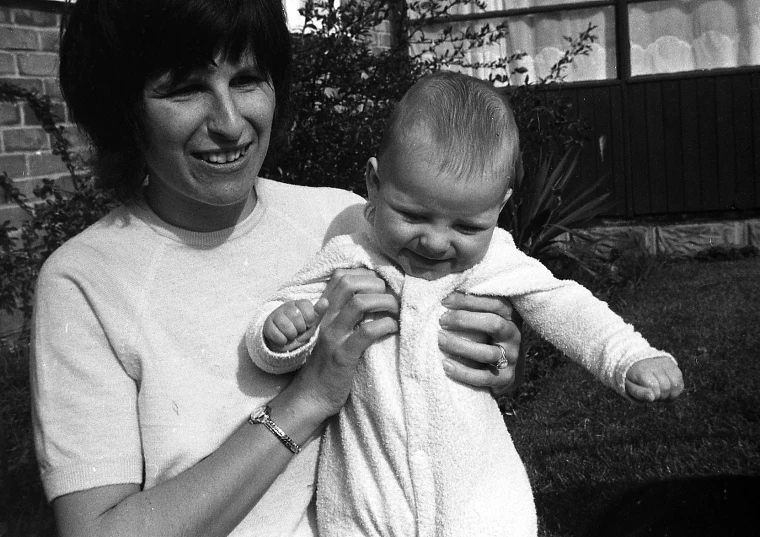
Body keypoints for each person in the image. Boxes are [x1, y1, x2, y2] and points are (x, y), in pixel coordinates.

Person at [30, 2, 524, 537]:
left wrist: (489, 355)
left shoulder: (345, 221)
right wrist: (304, 400)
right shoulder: (85, 281)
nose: (229, 122)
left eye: (246, 80)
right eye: (184, 89)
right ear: (121, 109)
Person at [247, 71, 685, 536]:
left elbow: (566, 305)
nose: (436, 242)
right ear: (374, 185)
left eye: (467, 228)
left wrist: (628, 356)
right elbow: (288, 306)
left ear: (500, 207)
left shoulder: (495, 262)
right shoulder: (351, 256)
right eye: (412, 215)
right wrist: (281, 332)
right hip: (368, 501)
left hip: (478, 504)